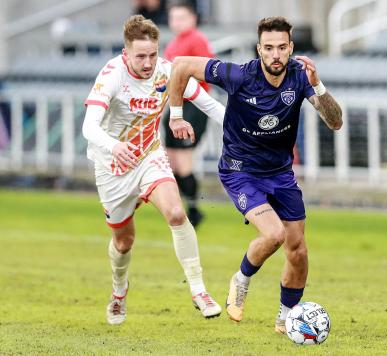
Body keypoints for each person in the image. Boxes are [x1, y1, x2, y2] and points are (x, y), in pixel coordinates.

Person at [167, 17, 343, 333]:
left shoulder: (301, 78)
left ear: (291, 48)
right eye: (269, 48)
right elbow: (180, 66)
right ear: (259, 49)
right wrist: (176, 116)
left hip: (280, 173)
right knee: (274, 234)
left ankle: (286, 319)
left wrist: (318, 84)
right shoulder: (239, 75)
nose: (276, 54)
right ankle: (242, 278)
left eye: (282, 47)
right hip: (240, 171)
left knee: (298, 250)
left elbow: (336, 121)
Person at [81, 15, 225, 325]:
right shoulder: (112, 75)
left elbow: (207, 103)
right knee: (124, 242)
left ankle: (200, 291)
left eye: (152, 54)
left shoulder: (166, 71)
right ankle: (119, 292)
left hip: (149, 156)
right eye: (140, 56)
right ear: (126, 54)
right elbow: (88, 127)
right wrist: (114, 146)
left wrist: (240, 128)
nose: (148, 63)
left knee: (176, 213)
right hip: (113, 165)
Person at [161, 1, 214, 228]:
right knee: (171, 162)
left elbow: (208, 73)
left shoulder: (197, 40)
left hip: (192, 106)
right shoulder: (172, 44)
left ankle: (193, 209)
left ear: (193, 19)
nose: (177, 23)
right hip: (176, 105)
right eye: (174, 18)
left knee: (183, 162)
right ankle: (184, 207)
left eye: (182, 17)